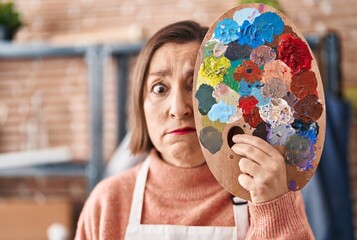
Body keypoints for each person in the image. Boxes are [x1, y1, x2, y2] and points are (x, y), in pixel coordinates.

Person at [75, 20, 314, 240]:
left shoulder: (270, 186)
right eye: (159, 89)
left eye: (195, 86)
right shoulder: (107, 202)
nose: (179, 109)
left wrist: (272, 208)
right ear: (140, 105)